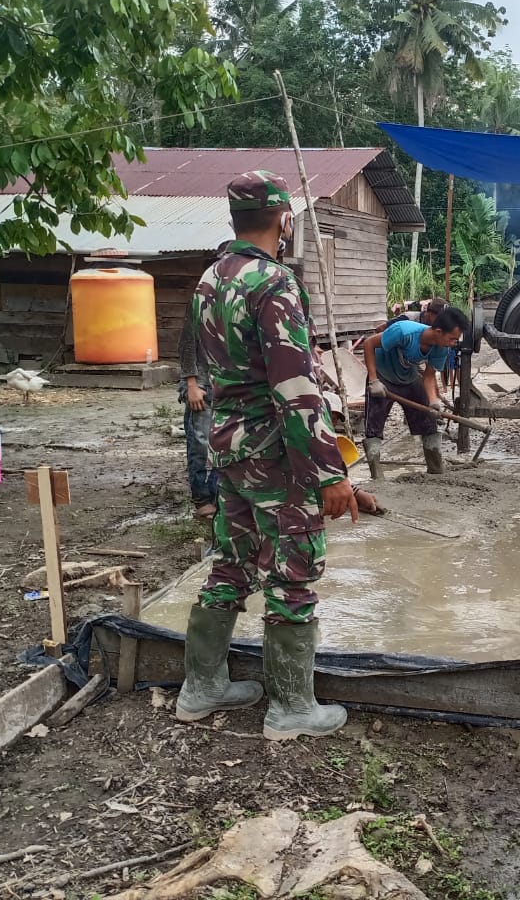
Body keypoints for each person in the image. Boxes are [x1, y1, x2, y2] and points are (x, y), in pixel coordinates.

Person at [177, 169, 358, 742]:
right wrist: (331, 474)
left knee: (231, 561)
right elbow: (295, 389)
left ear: (233, 218)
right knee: (293, 572)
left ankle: (201, 688)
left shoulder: (210, 278)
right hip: (275, 453)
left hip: (228, 444)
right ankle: (291, 709)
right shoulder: (274, 283)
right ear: (283, 219)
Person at [360, 305, 468, 479]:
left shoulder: (442, 348)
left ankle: (436, 471)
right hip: (382, 375)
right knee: (374, 427)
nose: (454, 343)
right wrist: (373, 380)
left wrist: (433, 401)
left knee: (429, 423)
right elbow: (369, 343)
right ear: (439, 331)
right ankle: (377, 477)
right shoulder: (403, 331)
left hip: (408, 377)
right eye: (452, 338)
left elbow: (429, 376)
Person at [177, 314, 218, 519]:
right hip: (201, 383)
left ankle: (217, 494)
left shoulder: (238, 299)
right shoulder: (200, 300)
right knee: (200, 442)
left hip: (225, 382)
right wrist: (191, 384)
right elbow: (186, 344)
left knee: (225, 442)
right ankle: (201, 498)